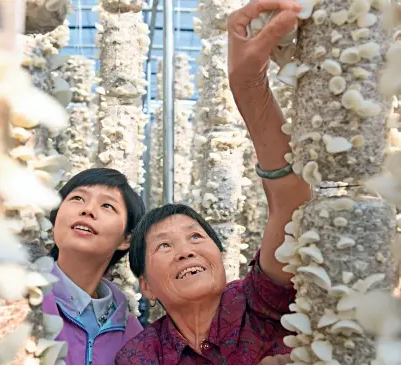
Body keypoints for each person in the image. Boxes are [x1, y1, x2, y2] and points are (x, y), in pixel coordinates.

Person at [114, 0, 311, 364]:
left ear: (220, 258)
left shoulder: (262, 303)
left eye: (195, 237)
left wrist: (250, 88)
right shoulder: (140, 357)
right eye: (163, 247)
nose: (185, 251)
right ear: (145, 287)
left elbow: (293, 207)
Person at [42, 168, 146, 365]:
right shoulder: (21, 296)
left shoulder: (131, 333)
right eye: (78, 198)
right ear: (54, 222)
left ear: (126, 239)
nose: (87, 210)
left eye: (107, 205)